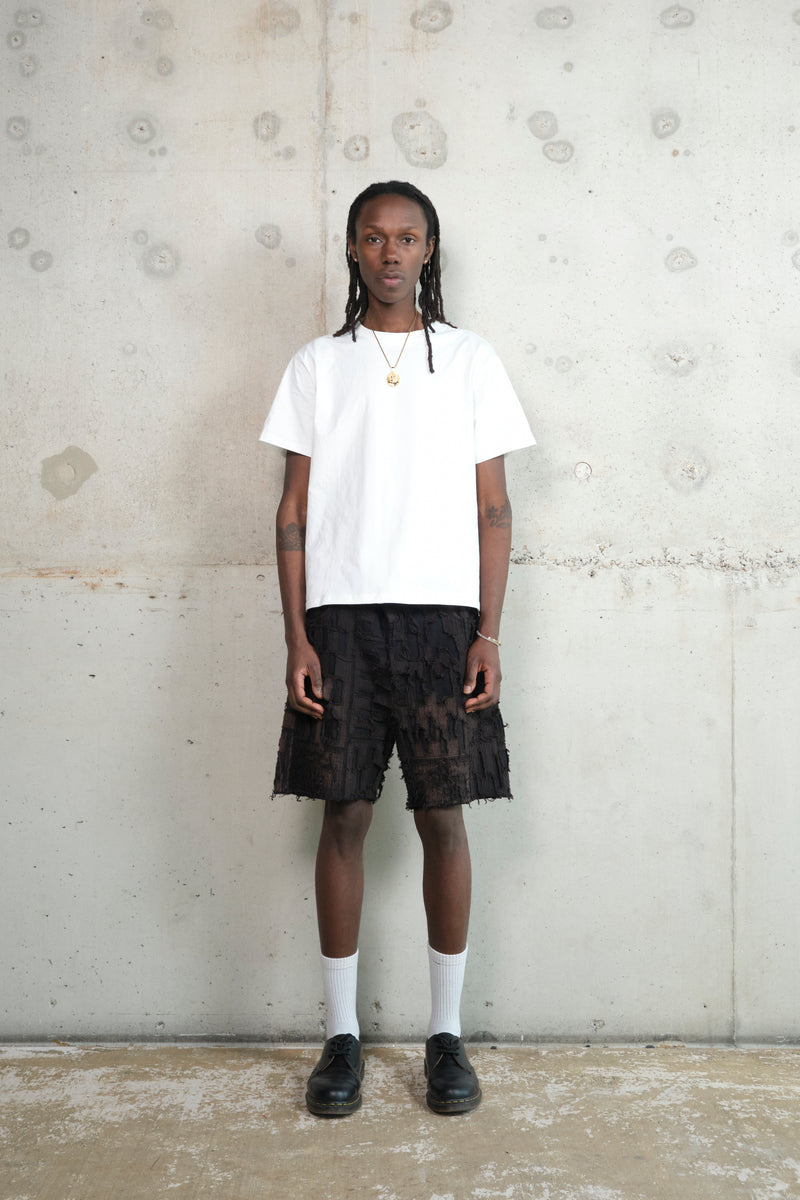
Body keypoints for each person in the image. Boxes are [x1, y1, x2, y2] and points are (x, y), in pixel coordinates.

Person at [259, 180, 535, 1117]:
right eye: (373, 237)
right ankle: (340, 1037)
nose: (390, 252)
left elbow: (494, 508)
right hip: (339, 620)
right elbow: (293, 511)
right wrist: (297, 635)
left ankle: (445, 1037)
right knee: (343, 814)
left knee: (443, 816)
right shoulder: (317, 365)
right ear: (352, 249)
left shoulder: (469, 360)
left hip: (442, 622)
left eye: (407, 237)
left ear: (428, 250)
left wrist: (488, 630)